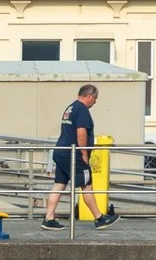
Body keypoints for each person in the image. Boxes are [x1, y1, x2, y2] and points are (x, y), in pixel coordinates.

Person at [41, 83, 116, 230]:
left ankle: (49, 218)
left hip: (61, 151)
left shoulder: (70, 108)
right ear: (89, 96)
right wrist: (84, 153)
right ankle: (99, 218)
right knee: (86, 184)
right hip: (73, 153)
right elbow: (81, 132)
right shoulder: (82, 110)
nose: (95, 101)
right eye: (95, 98)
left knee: (59, 184)